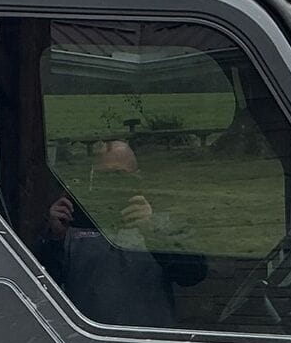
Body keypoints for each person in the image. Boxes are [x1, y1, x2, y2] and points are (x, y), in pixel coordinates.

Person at [31, 140, 205, 328]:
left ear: (137, 178)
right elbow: (41, 287)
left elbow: (193, 275)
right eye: (104, 177)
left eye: (119, 176)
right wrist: (54, 238)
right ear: (92, 179)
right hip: (89, 342)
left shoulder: (161, 221)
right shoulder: (75, 222)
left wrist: (152, 234)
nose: (112, 185)